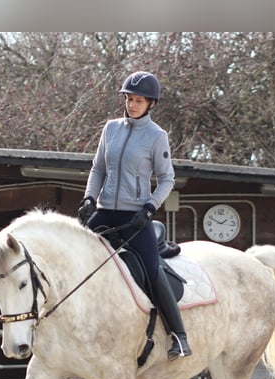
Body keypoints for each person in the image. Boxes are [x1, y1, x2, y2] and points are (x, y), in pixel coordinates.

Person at [77, 70, 192, 359]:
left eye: (138, 100)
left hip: (135, 217)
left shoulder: (156, 136)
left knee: (153, 271)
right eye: (129, 99)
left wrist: (150, 207)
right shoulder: (110, 129)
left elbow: (167, 179)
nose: (132, 104)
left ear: (151, 103)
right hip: (105, 213)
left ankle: (179, 336)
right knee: (77, 257)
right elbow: (98, 169)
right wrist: (89, 197)